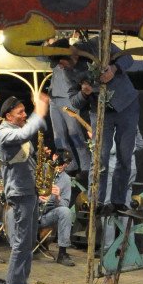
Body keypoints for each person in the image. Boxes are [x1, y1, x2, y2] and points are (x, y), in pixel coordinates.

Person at [71, 38, 143, 222]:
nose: (63, 66)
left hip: (126, 105)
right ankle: (97, 201)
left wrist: (114, 69)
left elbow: (128, 58)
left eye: (64, 61)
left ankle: (119, 202)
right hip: (100, 110)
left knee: (125, 155)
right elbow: (74, 101)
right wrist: (84, 93)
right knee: (100, 157)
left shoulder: (98, 44)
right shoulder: (68, 71)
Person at [0, 93, 49, 284]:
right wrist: (38, 113)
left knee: (29, 241)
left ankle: (22, 282)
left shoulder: (17, 128)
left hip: (29, 190)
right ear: (8, 116)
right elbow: (23, 136)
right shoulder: (4, 134)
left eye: (25, 111)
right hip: (19, 192)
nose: (24, 115)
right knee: (20, 242)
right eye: (20, 112)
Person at [46, 39, 91, 181]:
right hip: (54, 98)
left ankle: (86, 167)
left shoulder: (72, 60)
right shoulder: (54, 57)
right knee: (58, 135)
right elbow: (40, 55)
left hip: (68, 99)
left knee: (74, 133)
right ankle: (69, 165)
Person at [38, 149, 76, 266]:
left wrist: (58, 197)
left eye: (66, 164)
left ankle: (62, 253)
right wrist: (37, 196)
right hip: (33, 211)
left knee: (65, 212)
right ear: (54, 156)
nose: (62, 166)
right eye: (61, 162)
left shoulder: (66, 179)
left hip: (48, 214)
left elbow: (65, 205)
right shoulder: (41, 169)